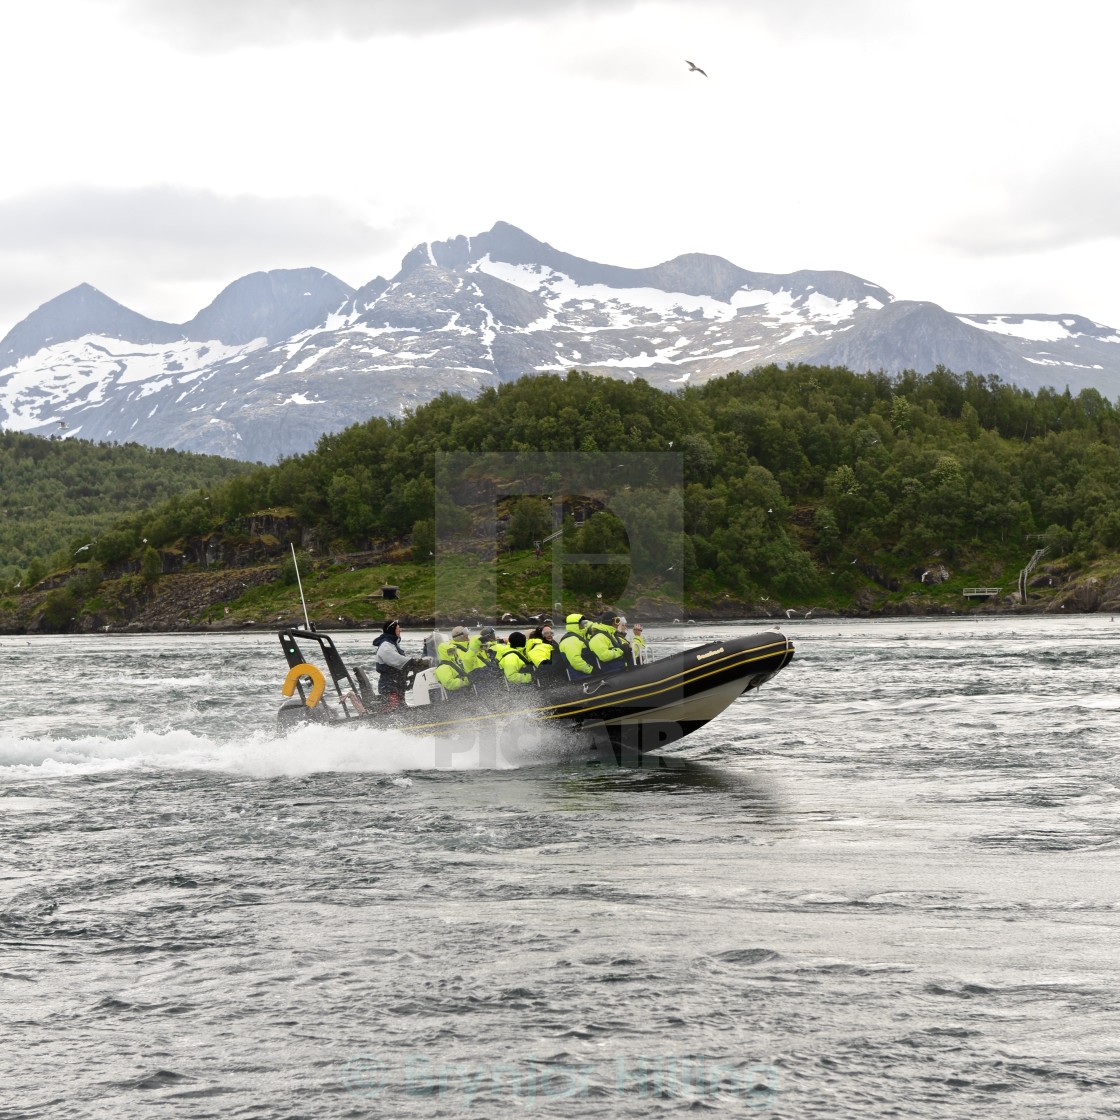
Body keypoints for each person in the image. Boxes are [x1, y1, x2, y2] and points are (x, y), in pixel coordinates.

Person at [372, 619, 428, 708]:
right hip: (389, 686)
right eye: (398, 629)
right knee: (395, 710)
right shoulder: (385, 646)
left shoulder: (392, 644)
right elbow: (399, 661)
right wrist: (415, 662)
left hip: (396, 684)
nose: (400, 630)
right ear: (392, 630)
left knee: (401, 708)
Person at [434, 625, 475, 695]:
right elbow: (449, 683)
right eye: (449, 651)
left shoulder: (456, 662)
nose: (452, 652)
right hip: (457, 696)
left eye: (453, 650)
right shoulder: (443, 667)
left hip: (466, 691)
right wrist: (466, 681)